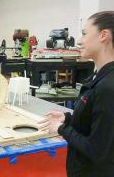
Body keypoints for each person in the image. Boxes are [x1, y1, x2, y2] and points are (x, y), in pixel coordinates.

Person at [39, 11, 114, 176]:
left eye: (84, 34)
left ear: (104, 35)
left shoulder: (108, 87)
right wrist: (68, 118)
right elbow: (96, 124)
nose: (79, 41)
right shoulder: (100, 76)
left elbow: (96, 150)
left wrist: (61, 129)